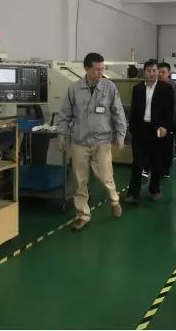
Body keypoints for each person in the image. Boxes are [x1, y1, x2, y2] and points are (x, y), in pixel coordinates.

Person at [56, 52, 127, 231]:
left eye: (102, 69)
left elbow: (118, 112)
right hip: (80, 141)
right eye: (96, 70)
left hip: (102, 141)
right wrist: (62, 136)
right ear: (86, 68)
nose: (100, 73)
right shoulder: (74, 89)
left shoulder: (109, 87)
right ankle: (82, 215)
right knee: (79, 181)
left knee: (105, 176)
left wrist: (121, 136)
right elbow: (65, 115)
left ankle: (114, 200)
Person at [125, 60, 175, 203]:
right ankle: (133, 193)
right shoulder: (137, 89)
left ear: (158, 72)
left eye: (154, 70)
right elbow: (134, 111)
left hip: (158, 130)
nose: (152, 73)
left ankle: (155, 190)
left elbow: (170, 111)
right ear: (144, 72)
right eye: (149, 70)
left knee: (156, 162)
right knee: (137, 163)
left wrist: (166, 127)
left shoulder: (166, 89)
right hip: (140, 131)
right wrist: (132, 129)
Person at [158, 62, 176, 179]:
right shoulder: (155, 84)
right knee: (158, 146)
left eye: (163, 72)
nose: (160, 74)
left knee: (167, 147)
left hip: (168, 123)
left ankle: (166, 170)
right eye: (159, 72)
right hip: (157, 123)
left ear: (169, 73)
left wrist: (171, 125)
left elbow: (175, 106)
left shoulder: (172, 87)